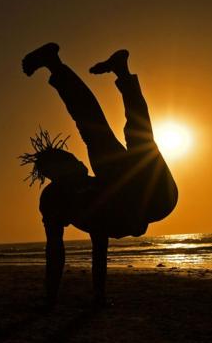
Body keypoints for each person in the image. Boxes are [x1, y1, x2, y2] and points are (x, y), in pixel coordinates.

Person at [21, 43, 178, 308]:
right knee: (112, 134)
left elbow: (97, 242)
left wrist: (97, 294)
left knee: (112, 133)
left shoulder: (95, 182)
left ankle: (109, 71)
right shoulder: (58, 200)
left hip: (154, 194)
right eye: (72, 163)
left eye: (74, 159)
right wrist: (54, 296)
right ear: (56, 175)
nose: (81, 163)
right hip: (148, 202)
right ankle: (101, 69)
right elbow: (60, 250)